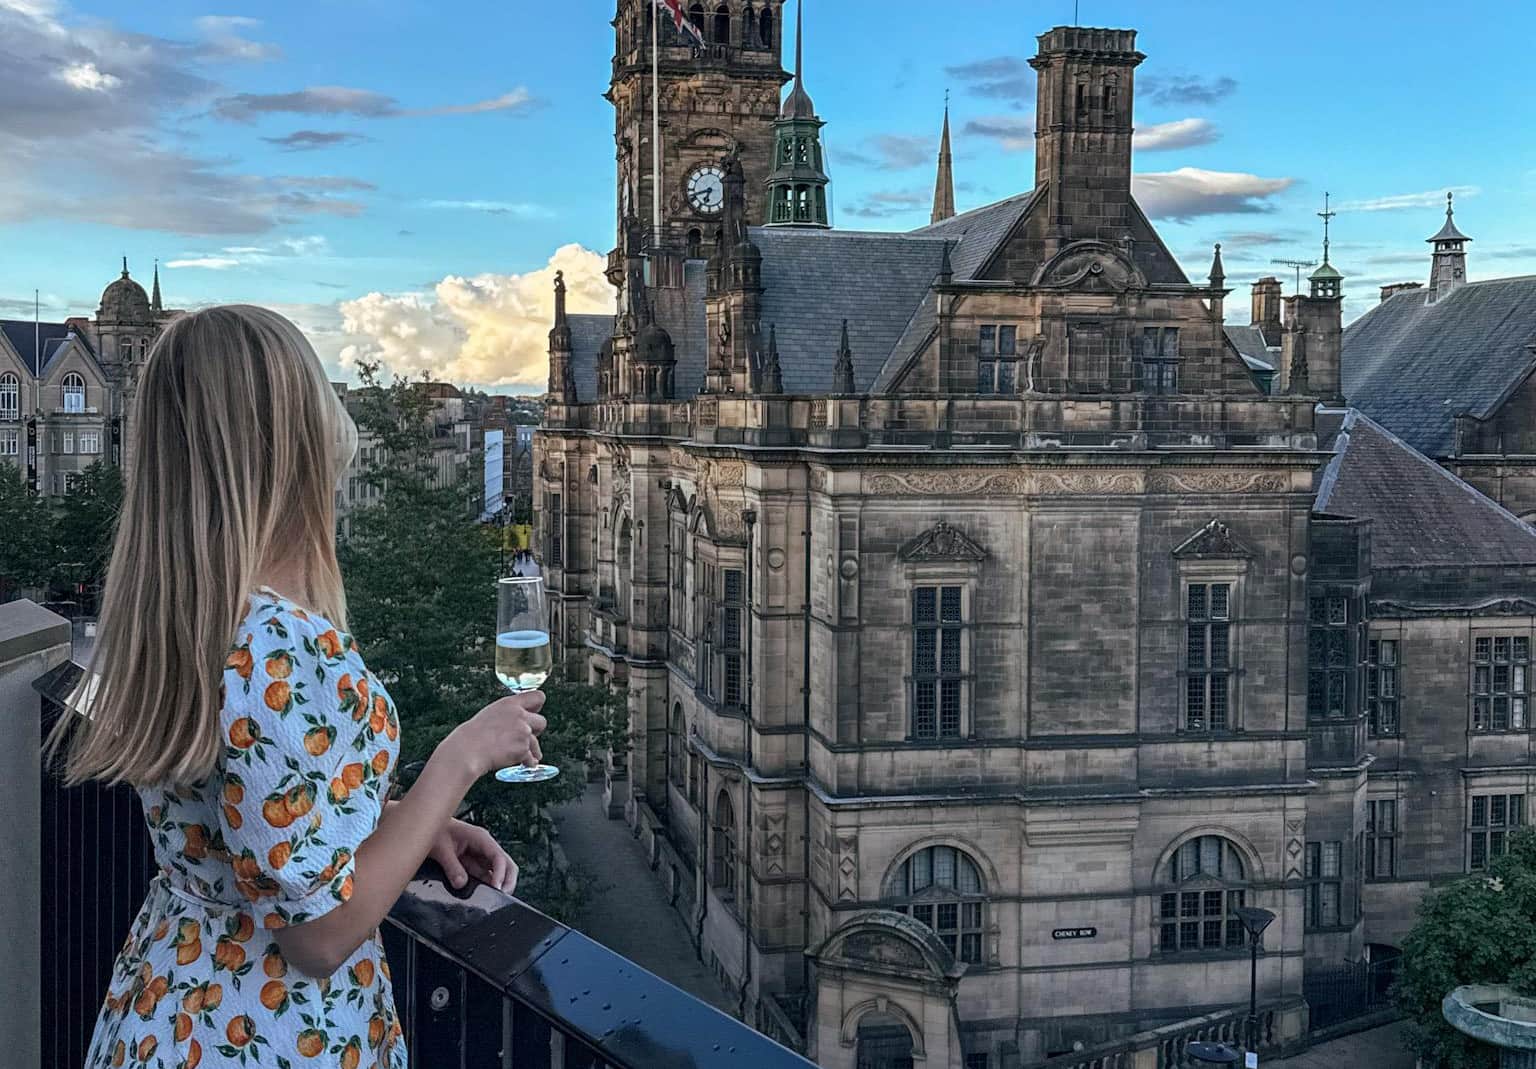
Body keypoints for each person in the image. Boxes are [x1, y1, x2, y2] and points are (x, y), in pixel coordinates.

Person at [47, 306, 548, 1069]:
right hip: (268, 1030)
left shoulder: (187, 611)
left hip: (173, 1003)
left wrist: (405, 819)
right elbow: (317, 934)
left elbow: (252, 806)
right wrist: (459, 761)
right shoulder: (276, 644)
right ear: (288, 446)